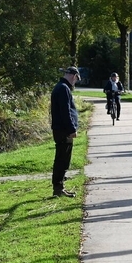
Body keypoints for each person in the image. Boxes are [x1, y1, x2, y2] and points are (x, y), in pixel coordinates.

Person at [50, 67, 81, 198]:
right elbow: (65, 111)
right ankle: (58, 188)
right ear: (74, 76)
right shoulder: (63, 88)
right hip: (63, 130)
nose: (75, 82)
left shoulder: (60, 87)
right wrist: (71, 129)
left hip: (60, 129)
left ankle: (59, 186)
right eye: (77, 79)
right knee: (62, 160)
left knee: (62, 159)